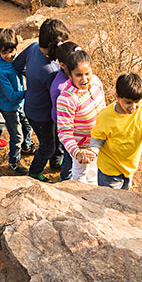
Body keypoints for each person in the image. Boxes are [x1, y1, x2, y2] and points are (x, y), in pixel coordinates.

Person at [12, 18, 70, 182]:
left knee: (52, 138)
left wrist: (32, 77)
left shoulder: (33, 48)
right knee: (47, 145)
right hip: (43, 115)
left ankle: (55, 160)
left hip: (31, 106)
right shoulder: (51, 70)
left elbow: (18, 65)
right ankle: (35, 172)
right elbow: (58, 98)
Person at [89, 73, 142, 190]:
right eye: (128, 102)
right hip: (109, 169)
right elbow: (97, 139)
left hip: (130, 168)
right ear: (117, 96)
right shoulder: (105, 116)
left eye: (137, 101)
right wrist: (93, 152)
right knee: (111, 200)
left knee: (125, 196)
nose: (133, 107)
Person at [55, 49, 106, 184]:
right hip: (81, 148)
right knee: (80, 178)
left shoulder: (95, 82)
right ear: (70, 74)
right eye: (78, 75)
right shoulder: (66, 99)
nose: (84, 79)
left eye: (87, 73)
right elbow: (64, 132)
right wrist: (77, 153)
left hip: (99, 142)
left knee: (96, 174)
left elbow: (103, 108)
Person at [0, 28, 34, 174]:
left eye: (12, 51)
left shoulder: (17, 58)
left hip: (20, 103)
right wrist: (31, 92)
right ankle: (13, 161)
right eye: (5, 53)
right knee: (17, 135)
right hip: (9, 107)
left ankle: (27, 146)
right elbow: (10, 95)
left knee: (27, 126)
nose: (9, 56)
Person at [48, 41, 81, 181]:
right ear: (62, 65)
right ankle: (65, 180)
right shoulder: (60, 88)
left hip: (74, 123)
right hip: (66, 125)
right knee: (69, 156)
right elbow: (62, 118)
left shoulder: (73, 77)